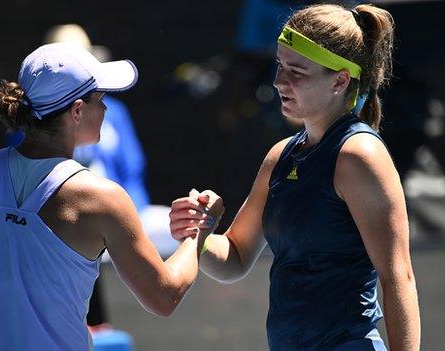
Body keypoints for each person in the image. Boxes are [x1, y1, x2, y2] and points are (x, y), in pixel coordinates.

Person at [0, 42, 223, 350]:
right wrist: (198, 234)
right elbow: (163, 298)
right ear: (77, 111)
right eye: (100, 98)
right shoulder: (102, 199)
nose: (106, 108)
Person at [170, 4, 420, 350]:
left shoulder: (359, 156)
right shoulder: (280, 156)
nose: (278, 81)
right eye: (280, 65)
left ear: (339, 80)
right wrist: (201, 233)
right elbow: (236, 257)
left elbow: (398, 277)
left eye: (297, 71)